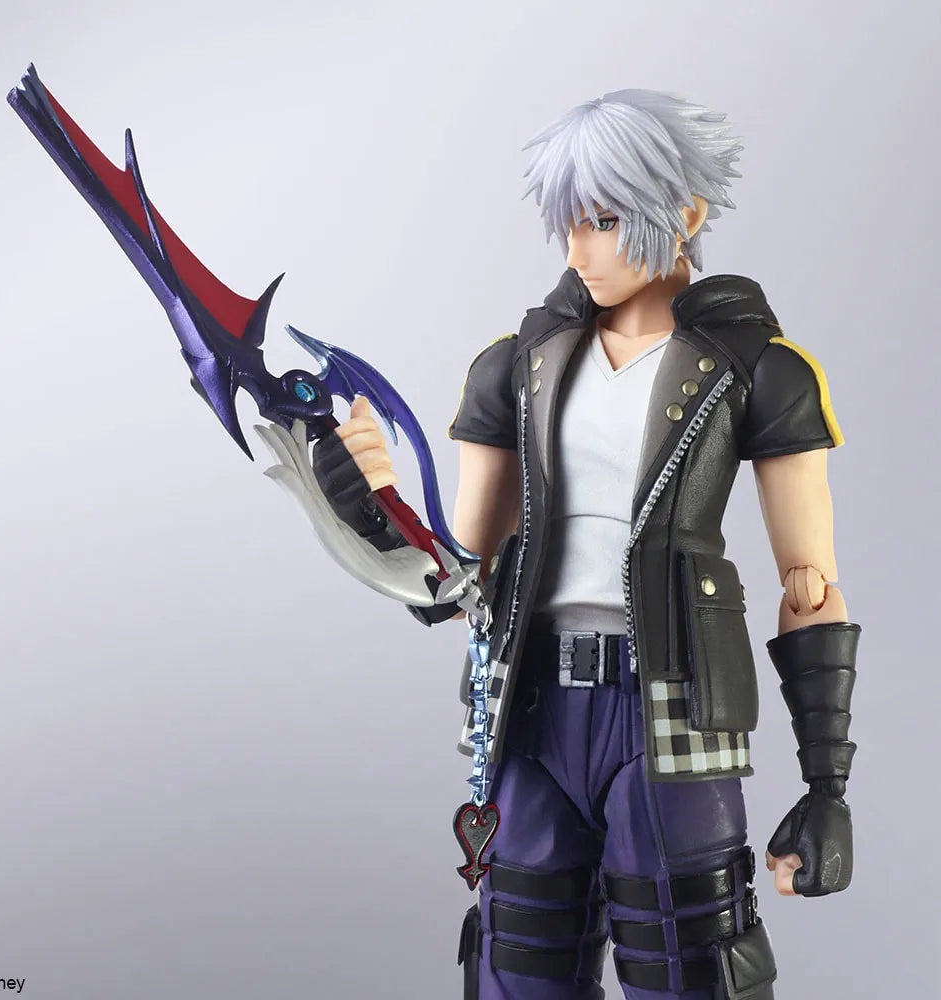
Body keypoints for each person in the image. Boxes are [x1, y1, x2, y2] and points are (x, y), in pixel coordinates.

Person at [314, 90, 860, 1000]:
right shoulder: (519, 364)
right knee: (517, 967)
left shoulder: (758, 368)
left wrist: (827, 784)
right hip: (530, 705)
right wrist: (370, 500)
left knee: (690, 968)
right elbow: (457, 573)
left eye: (605, 221)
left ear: (685, 215)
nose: (580, 251)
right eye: (570, 223)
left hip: (672, 704)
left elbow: (809, 584)